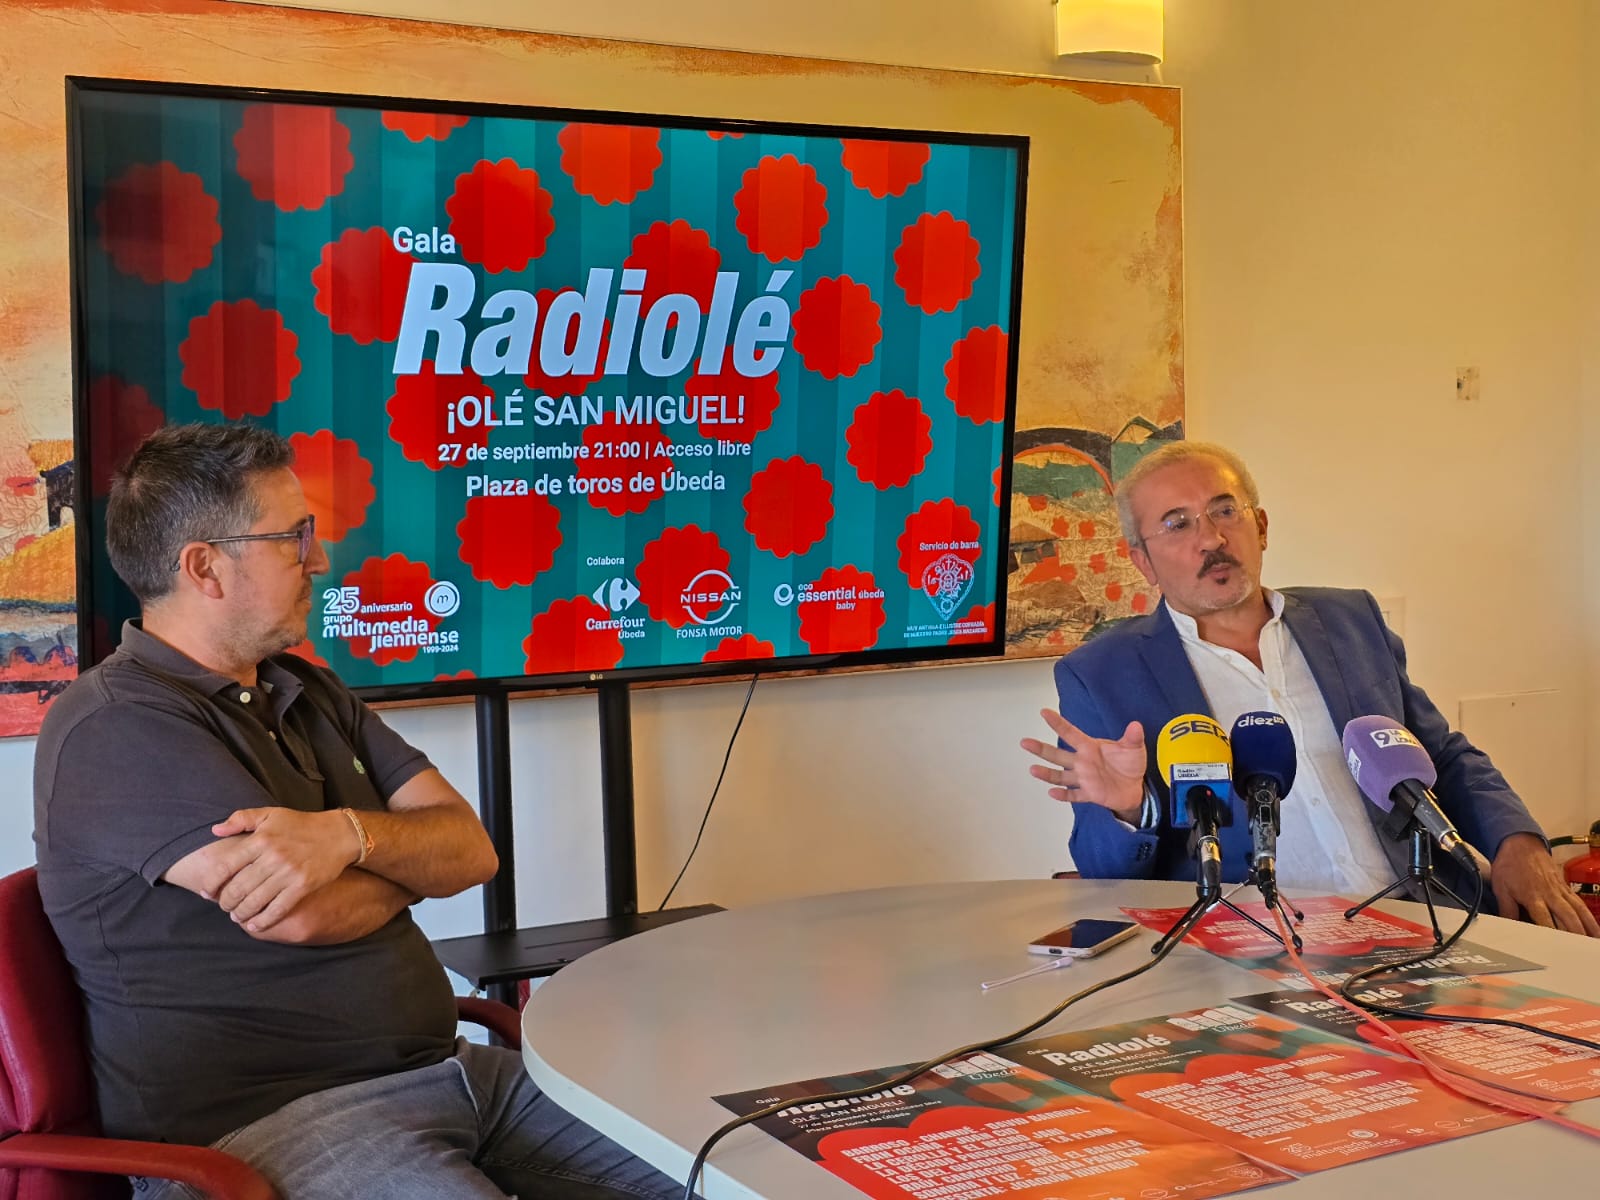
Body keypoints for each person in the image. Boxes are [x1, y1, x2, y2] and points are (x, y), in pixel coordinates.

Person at [33, 423, 681, 1199]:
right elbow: (308, 912)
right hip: (270, 1127)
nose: (320, 558)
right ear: (204, 567)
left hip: (452, 1073)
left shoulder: (304, 688)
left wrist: (344, 834)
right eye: (292, 536)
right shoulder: (116, 726)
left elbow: (472, 849)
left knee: (725, 1173)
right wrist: (408, 864)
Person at [1020, 440, 1599, 937]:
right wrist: (1131, 808)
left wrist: (1519, 842)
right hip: (1252, 952)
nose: (1211, 538)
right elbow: (1101, 870)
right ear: (1141, 561)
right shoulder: (1101, 673)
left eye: (1226, 510)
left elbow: (1440, 754)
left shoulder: (1350, 620)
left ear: (1262, 526)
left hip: (1424, 915)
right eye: (1177, 523)